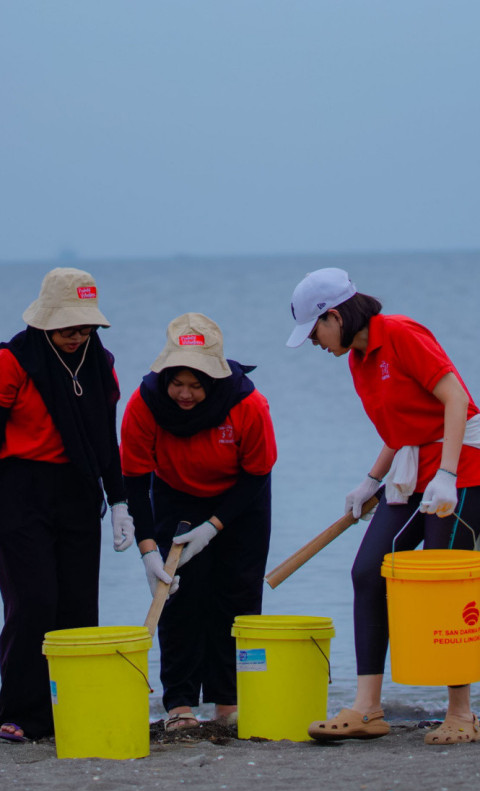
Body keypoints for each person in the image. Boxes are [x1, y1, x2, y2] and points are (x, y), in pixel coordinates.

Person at [286, 267, 480, 746]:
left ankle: (461, 714)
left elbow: (456, 398)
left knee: (443, 583)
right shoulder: (357, 359)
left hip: (464, 466)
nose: (314, 342)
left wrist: (449, 477)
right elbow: (400, 430)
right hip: (414, 471)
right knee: (368, 571)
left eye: (314, 331)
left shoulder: (399, 333)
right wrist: (370, 481)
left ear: (334, 315)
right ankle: (368, 708)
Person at [121, 313, 277, 731]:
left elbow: (257, 474)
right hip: (175, 495)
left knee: (237, 597)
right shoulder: (144, 404)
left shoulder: (247, 404)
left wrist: (214, 526)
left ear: (214, 379)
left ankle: (229, 703)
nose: (185, 394)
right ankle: (180, 705)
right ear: (165, 375)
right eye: (177, 383)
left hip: (241, 498)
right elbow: (135, 481)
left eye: (196, 385)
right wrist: (148, 549)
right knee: (181, 597)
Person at [0, 268, 134, 743]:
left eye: (86, 328)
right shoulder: (13, 360)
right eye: (68, 328)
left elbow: (103, 437)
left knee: (78, 605)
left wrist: (119, 502)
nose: (78, 337)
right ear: (44, 322)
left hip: (78, 490)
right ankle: (19, 710)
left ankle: (69, 707)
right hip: (19, 490)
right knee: (34, 601)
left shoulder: (101, 362)